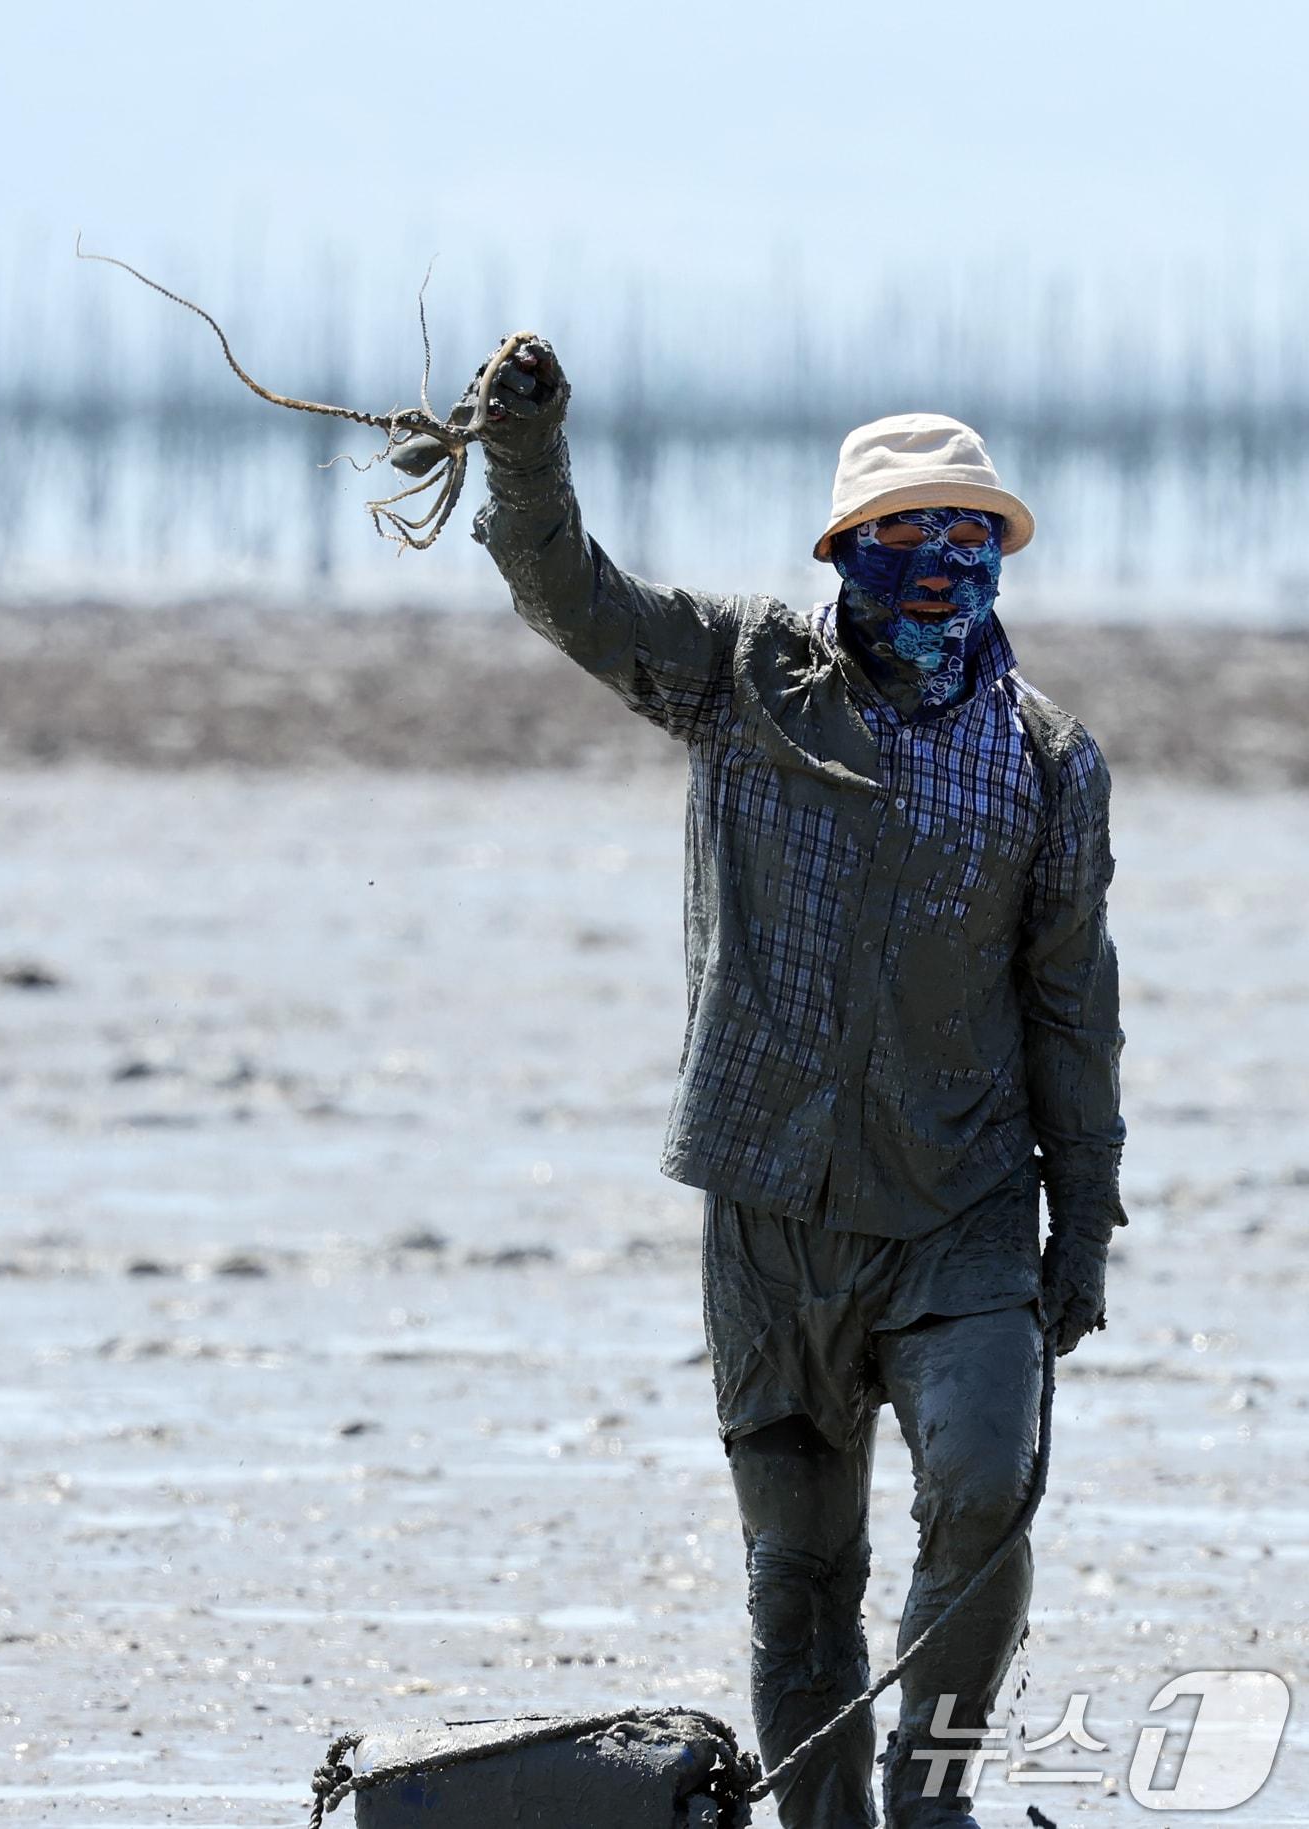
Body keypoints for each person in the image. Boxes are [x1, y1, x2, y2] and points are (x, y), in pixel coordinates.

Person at [447, 337, 1127, 1829]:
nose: (941, 558)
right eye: (907, 530)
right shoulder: (740, 674)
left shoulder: (1047, 761)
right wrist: (522, 453)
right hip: (769, 1213)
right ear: (846, 548)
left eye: (970, 531)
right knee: (802, 1576)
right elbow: (574, 596)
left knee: (986, 1486)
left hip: (959, 1213)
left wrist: (1082, 1223)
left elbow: (1073, 1013)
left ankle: (931, 1806)